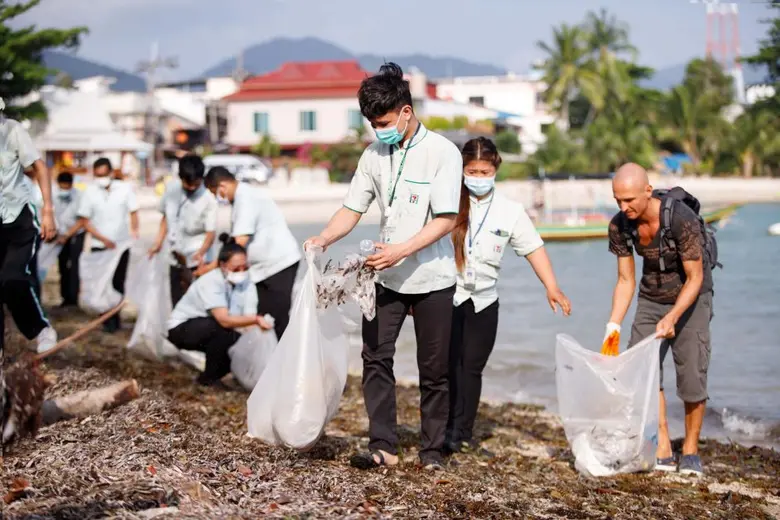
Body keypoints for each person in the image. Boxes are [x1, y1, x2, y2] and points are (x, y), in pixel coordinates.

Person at [305, 63, 463, 471]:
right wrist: (324, 238)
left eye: (385, 122)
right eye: (374, 124)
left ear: (406, 112)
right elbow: (352, 208)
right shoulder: (373, 155)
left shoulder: (443, 152)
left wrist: (402, 250)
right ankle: (384, 447)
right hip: (384, 274)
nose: (380, 130)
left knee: (435, 371)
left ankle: (432, 452)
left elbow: (445, 219)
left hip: (433, 278)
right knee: (375, 359)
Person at [447, 138, 571, 455]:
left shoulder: (510, 211)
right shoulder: (447, 200)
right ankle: (440, 428)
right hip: (447, 297)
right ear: (462, 170)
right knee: (446, 367)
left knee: (472, 368)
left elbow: (533, 248)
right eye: (471, 171)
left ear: (495, 169)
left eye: (483, 171)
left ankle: (462, 433)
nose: (477, 176)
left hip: (485, 302)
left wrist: (551, 286)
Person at [606, 163, 713, 477]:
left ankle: (691, 450)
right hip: (651, 298)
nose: (624, 208)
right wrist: (612, 326)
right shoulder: (620, 226)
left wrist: (673, 316)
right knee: (643, 373)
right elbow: (626, 280)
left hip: (691, 298)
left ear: (647, 191)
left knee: (692, 376)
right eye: (617, 201)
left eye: (630, 200)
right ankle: (663, 442)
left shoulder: (681, 219)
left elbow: (695, 278)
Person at [202, 167, 300, 340]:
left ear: (222, 186)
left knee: (276, 318)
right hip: (262, 268)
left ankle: (285, 361)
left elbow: (239, 243)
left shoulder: (245, 199)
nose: (216, 197)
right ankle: (272, 359)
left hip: (278, 264)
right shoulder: (242, 196)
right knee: (264, 315)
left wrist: (211, 267)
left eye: (214, 192)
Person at [167, 234, 273, 387]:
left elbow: (248, 316)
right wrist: (256, 320)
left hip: (210, 326)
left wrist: (256, 336)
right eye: (236, 268)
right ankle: (208, 378)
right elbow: (224, 319)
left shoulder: (246, 282)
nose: (242, 272)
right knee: (223, 332)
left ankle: (218, 374)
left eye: (245, 267)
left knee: (239, 340)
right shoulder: (211, 281)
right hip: (182, 328)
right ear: (223, 266)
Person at [0, 96, 58, 354]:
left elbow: (40, 167)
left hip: (19, 218)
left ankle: (40, 329)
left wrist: (48, 210)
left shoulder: (12, 130)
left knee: (11, 278)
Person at [77, 157, 140, 332]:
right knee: (102, 284)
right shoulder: (89, 192)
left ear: (111, 173)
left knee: (117, 283)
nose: (101, 178)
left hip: (121, 246)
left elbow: (134, 211)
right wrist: (103, 239)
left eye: (104, 174)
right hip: (100, 245)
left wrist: (134, 230)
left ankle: (115, 319)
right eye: (98, 175)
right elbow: (84, 220)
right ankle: (105, 319)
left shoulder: (124, 189)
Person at [149, 154, 218, 305]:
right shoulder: (172, 190)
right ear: (181, 178)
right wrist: (157, 243)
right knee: (177, 299)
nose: (192, 188)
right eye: (188, 184)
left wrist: (201, 253)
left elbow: (210, 233)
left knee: (197, 302)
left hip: (198, 259)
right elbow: (166, 219)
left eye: (196, 183)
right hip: (176, 256)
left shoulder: (209, 200)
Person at [53, 172, 86, 307]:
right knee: (62, 266)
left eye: (67, 186)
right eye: (63, 186)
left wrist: (67, 234)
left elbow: (83, 219)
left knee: (75, 266)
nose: (65, 189)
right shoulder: (53, 195)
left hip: (76, 234)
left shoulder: (79, 196)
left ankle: (74, 297)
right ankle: (65, 297)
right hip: (59, 236)